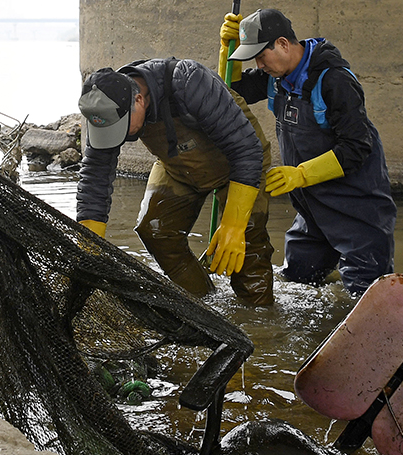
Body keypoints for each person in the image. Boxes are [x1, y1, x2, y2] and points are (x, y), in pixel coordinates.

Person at [221, 8, 398, 297]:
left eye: (260, 55)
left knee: (369, 299)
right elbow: (230, 91)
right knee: (296, 286)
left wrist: (301, 174)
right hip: (312, 211)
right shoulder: (277, 77)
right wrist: (226, 51)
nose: (258, 64)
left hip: (358, 212)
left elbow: (357, 147)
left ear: (282, 43)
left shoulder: (335, 80)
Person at [75, 58, 275, 305]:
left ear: (138, 101)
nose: (118, 137)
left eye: (121, 127)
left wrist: (233, 226)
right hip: (178, 165)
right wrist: (89, 251)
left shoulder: (188, 81)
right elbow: (94, 179)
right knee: (155, 230)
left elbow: (246, 151)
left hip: (240, 163)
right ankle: (205, 305)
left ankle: (260, 320)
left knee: (246, 246)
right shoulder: (108, 103)